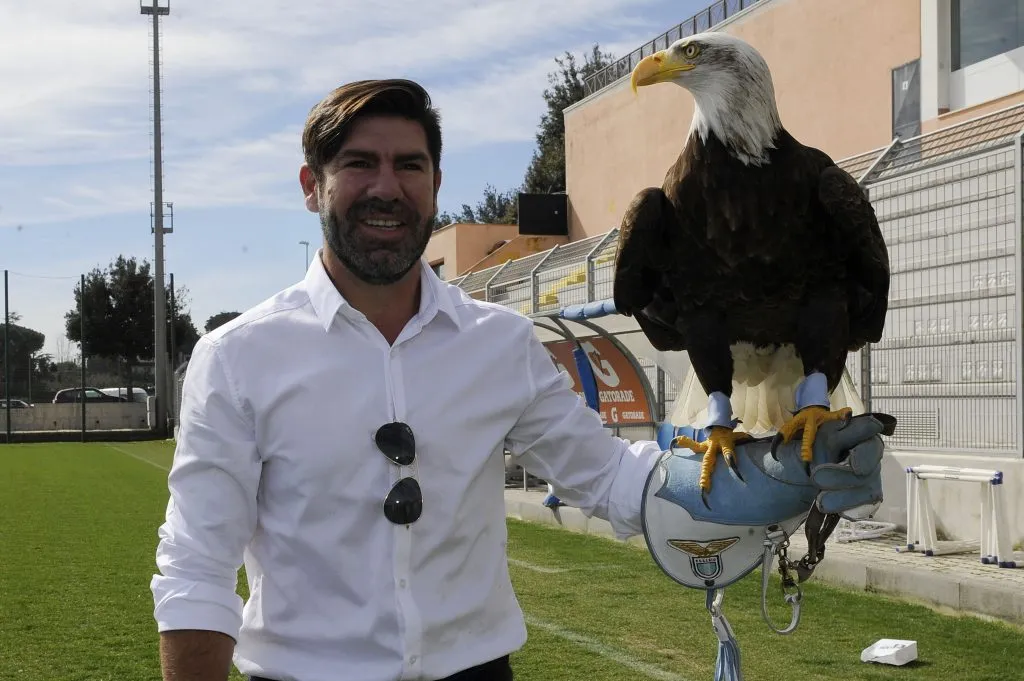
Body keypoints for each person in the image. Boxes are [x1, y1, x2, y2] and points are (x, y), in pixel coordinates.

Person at [150, 78, 880, 681]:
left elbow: (610, 480)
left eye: (408, 165)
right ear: (312, 185)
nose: (386, 187)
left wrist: (768, 480)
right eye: (357, 164)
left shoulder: (497, 341)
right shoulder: (237, 356)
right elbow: (195, 569)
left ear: (436, 185)